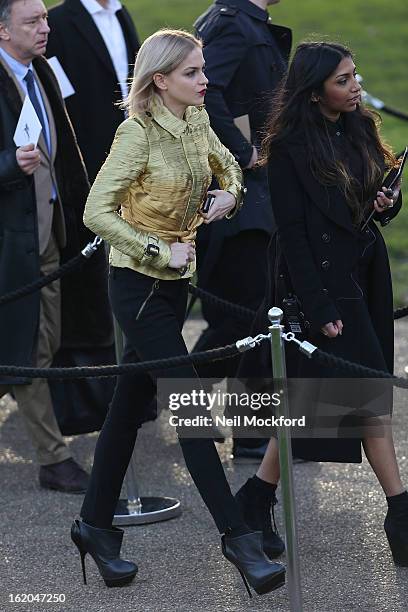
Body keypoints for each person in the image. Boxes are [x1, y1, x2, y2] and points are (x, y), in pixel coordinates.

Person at [70, 29, 286, 595]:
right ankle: (239, 540)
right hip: (137, 285)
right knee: (189, 406)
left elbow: (233, 169)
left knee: (126, 409)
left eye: (204, 69)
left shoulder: (195, 120)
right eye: (192, 73)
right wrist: (157, 248)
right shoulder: (134, 132)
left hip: (175, 287)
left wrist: (228, 197)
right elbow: (97, 210)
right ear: (160, 80)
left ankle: (94, 526)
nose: (204, 80)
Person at [237, 41, 408, 567]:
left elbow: (372, 203)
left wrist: (387, 201)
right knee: (364, 392)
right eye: (343, 80)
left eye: (355, 76)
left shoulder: (356, 126)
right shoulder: (289, 147)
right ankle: (400, 512)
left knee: (317, 401)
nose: (355, 87)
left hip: (362, 276)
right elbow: (291, 233)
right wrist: (317, 304)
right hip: (319, 283)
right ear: (314, 94)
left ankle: (255, 499)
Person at [0, 0, 110, 491]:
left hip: (49, 236)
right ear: (3, 31)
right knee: (31, 347)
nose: (46, 28)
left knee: (36, 342)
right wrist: (8, 166)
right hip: (11, 243)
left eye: (45, 18)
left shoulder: (41, 69)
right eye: (33, 22)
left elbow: (65, 149)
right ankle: (53, 458)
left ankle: (52, 455)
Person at [193, 0, 292, 463]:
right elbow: (204, 92)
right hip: (241, 196)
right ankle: (246, 432)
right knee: (249, 315)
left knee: (250, 313)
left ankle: (245, 429)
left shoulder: (236, 21)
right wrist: (243, 152)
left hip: (248, 194)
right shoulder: (234, 26)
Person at [46, 0, 140, 183]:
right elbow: (61, 96)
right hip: (90, 152)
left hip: (132, 140)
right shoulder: (56, 22)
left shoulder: (120, 11)